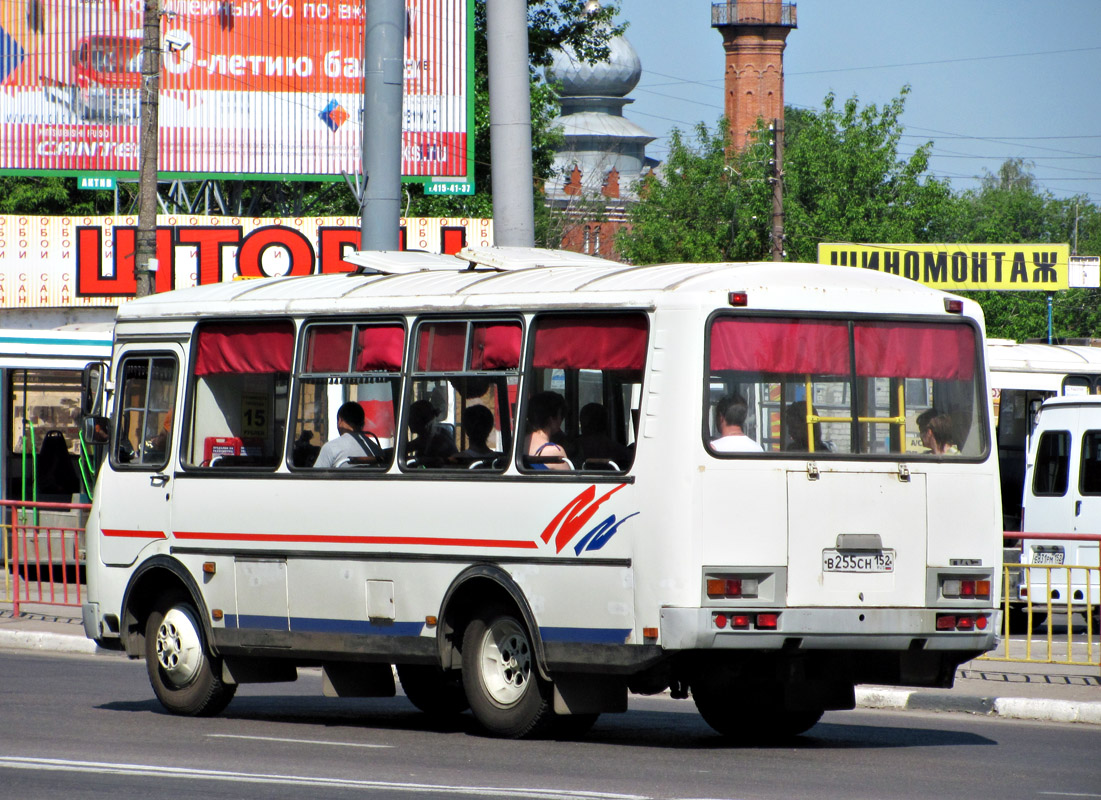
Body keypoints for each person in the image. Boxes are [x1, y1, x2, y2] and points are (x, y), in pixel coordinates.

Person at [314, 401, 381, 468]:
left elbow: (315, 477)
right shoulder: (376, 450)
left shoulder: (330, 448)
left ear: (340, 420)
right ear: (363, 423)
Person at [574, 402, 633, 467]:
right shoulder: (622, 452)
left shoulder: (574, 449)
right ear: (606, 423)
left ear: (584, 425)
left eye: (582, 422)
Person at [525, 391, 570, 470]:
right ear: (551, 419)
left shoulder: (518, 446)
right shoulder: (555, 452)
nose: (561, 420)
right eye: (561, 415)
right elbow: (570, 481)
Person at [406, 399, 458, 464]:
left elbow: (405, 449)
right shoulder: (436, 433)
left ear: (420, 420)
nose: (408, 422)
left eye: (411, 418)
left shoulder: (435, 439)